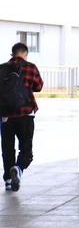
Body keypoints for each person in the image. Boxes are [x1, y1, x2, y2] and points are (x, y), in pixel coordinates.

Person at [0, 43, 43, 192]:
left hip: (6, 115)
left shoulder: (2, 68)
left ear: (12, 54)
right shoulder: (30, 67)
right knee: (26, 148)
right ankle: (18, 169)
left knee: (7, 148)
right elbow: (38, 87)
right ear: (25, 54)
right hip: (25, 114)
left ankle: (8, 180)